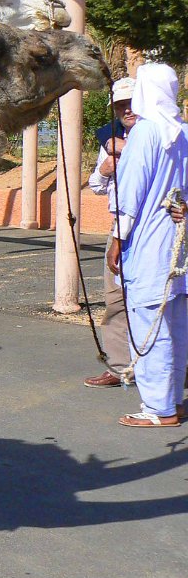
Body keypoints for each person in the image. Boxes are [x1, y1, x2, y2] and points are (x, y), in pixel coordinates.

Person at [106, 64, 188, 427]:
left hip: (149, 245)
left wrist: (116, 240)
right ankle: (173, 400)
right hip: (178, 245)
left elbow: (131, 192)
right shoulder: (183, 132)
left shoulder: (144, 133)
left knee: (149, 324)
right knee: (176, 324)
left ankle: (158, 408)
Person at [83, 77, 136, 388]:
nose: (126, 109)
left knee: (161, 303)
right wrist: (102, 172)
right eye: (120, 105)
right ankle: (118, 367)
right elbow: (96, 187)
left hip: (154, 230)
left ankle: (168, 371)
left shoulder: (162, 137)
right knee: (116, 300)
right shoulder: (111, 140)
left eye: (131, 103)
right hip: (118, 228)